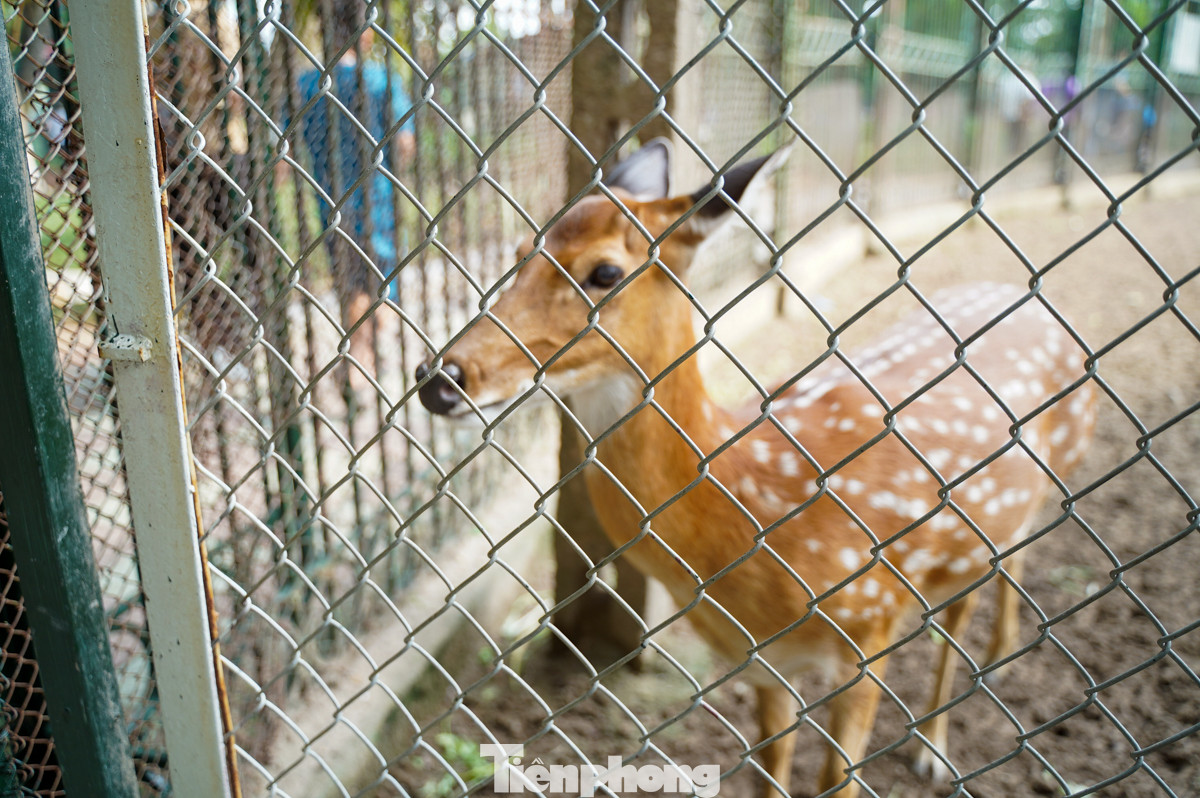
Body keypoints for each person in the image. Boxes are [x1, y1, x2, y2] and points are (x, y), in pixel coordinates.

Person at [296, 4, 415, 325]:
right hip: (377, 204)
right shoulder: (380, 80)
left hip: (331, 204)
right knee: (382, 289)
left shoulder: (307, 85)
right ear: (366, 33)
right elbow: (405, 144)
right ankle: (368, 355)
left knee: (350, 287)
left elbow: (288, 150)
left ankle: (358, 358)